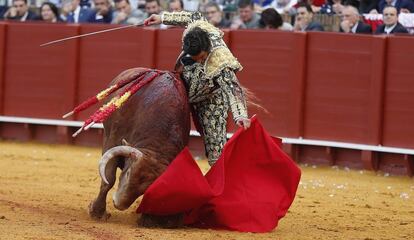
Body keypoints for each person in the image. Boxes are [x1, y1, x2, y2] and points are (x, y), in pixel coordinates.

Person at [144, 11, 251, 166]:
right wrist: (161, 18)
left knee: (215, 149)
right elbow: (190, 16)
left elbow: (233, 88)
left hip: (211, 97)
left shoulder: (221, 59)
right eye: (196, 58)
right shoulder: (196, 26)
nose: (201, 61)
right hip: (186, 85)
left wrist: (240, 115)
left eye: (202, 58)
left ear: (207, 50)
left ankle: (220, 184)